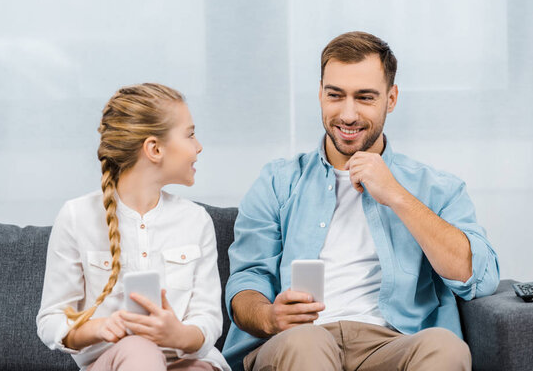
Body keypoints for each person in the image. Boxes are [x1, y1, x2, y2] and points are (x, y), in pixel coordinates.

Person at [223, 32, 499, 371]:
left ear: (391, 98)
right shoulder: (278, 182)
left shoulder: (437, 187)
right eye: (335, 95)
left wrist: (396, 194)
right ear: (320, 95)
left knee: (446, 347)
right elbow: (247, 280)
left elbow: (478, 278)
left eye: (365, 97)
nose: (348, 114)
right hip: (300, 339)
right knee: (306, 342)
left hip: (393, 342)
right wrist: (270, 316)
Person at [37, 83, 230, 371]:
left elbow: (208, 319)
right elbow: (51, 320)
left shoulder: (196, 220)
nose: (198, 145)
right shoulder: (77, 217)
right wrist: (100, 327)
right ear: (154, 149)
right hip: (115, 363)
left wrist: (177, 334)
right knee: (139, 350)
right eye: (190, 134)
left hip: (183, 361)